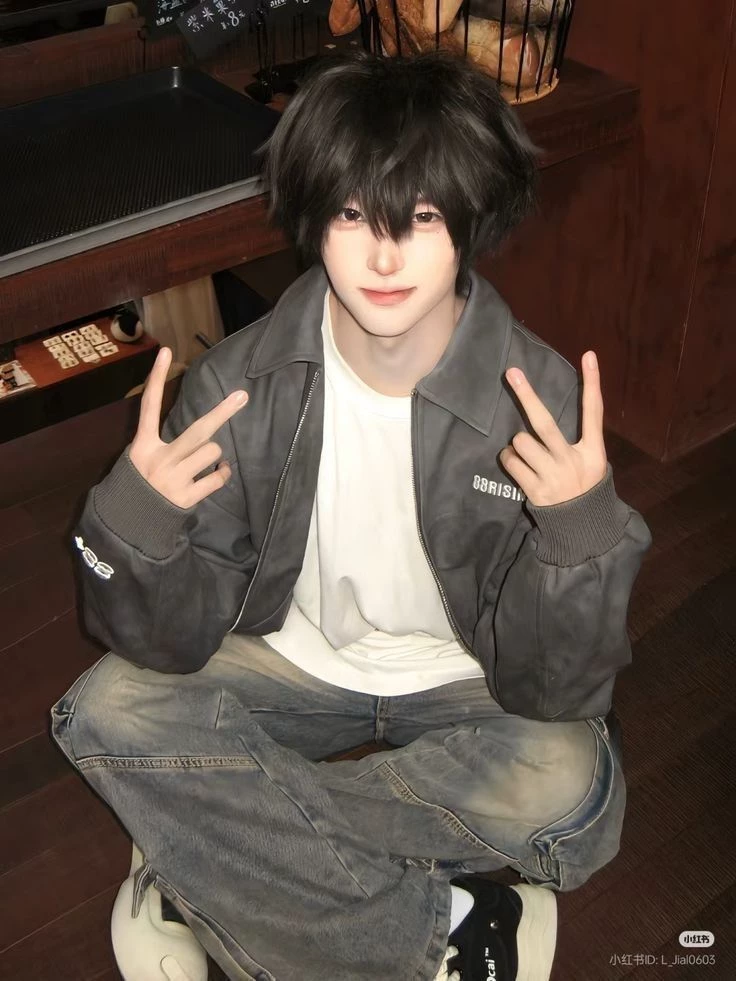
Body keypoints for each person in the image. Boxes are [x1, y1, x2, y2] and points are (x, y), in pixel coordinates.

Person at [51, 48, 652, 981]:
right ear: (313, 216)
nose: (383, 255)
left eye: (422, 216)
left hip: (468, 677)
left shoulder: (538, 404)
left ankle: (200, 850)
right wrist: (137, 522)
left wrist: (578, 537)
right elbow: (165, 644)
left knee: (572, 781)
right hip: (292, 661)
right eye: (350, 213)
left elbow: (555, 691)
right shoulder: (238, 385)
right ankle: (445, 924)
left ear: (471, 218)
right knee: (107, 711)